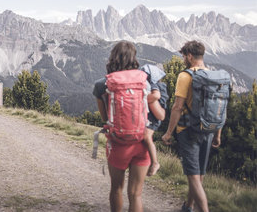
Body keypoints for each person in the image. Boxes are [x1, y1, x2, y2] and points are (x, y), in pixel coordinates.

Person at [162, 40, 221, 212]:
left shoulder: (185, 76)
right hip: (209, 130)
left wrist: (168, 133)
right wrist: (217, 134)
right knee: (199, 175)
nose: (183, 60)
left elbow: (177, 107)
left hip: (188, 131)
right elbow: (218, 109)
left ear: (189, 56)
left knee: (193, 177)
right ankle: (189, 206)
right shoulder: (212, 76)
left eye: (183, 56)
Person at [93, 41, 150, 212]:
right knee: (136, 194)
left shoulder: (102, 84)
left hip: (118, 143)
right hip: (142, 142)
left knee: (117, 189)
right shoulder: (144, 82)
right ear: (134, 58)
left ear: (113, 57)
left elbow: (105, 118)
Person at [140, 64, 166, 176]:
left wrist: (141, 99)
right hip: (152, 114)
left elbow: (156, 96)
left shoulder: (155, 84)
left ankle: (155, 162)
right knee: (143, 137)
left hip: (154, 117)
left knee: (146, 136)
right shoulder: (156, 83)